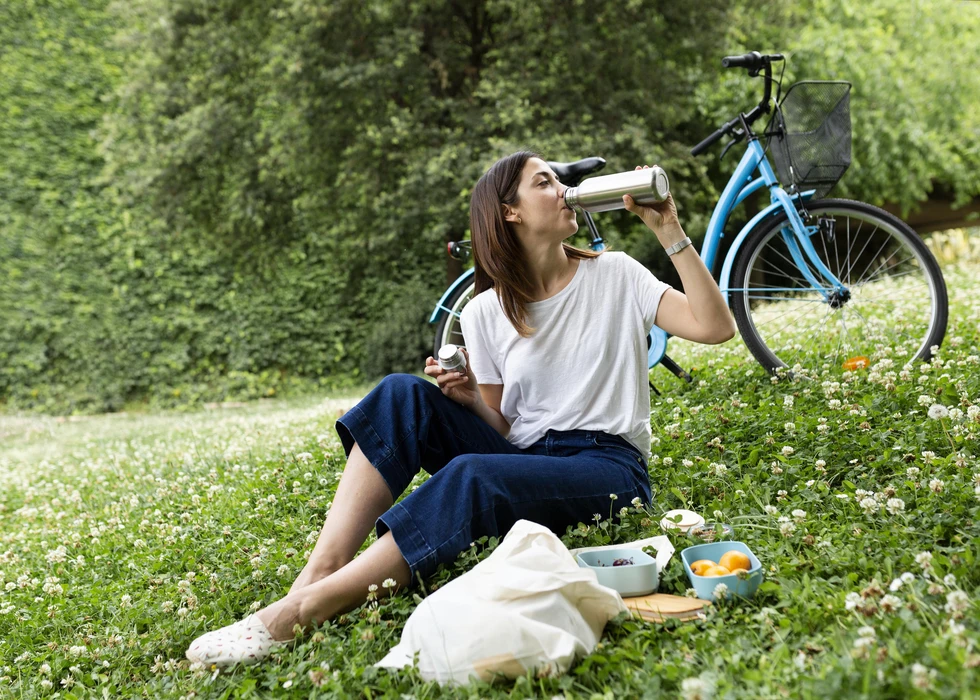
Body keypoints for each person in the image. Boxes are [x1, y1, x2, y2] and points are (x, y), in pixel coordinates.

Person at [185, 151, 735, 667]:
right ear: (510, 213)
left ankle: (302, 611)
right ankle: (319, 572)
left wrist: (669, 230)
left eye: (559, 181)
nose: (564, 190)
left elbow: (714, 327)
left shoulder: (616, 274)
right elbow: (505, 429)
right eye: (544, 182)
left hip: (608, 467)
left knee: (474, 475)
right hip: (525, 458)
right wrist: (471, 399)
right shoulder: (485, 312)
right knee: (401, 393)